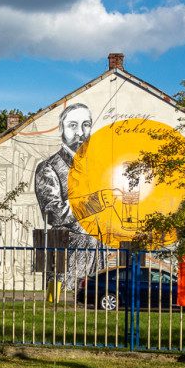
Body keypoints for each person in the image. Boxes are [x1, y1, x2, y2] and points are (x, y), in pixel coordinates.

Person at [33, 102, 111, 282]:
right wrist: (94, 203)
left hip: (98, 247)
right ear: (61, 129)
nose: (80, 132)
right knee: (67, 298)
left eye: (86, 125)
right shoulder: (48, 167)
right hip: (68, 246)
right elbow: (52, 213)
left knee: (97, 298)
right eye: (73, 125)